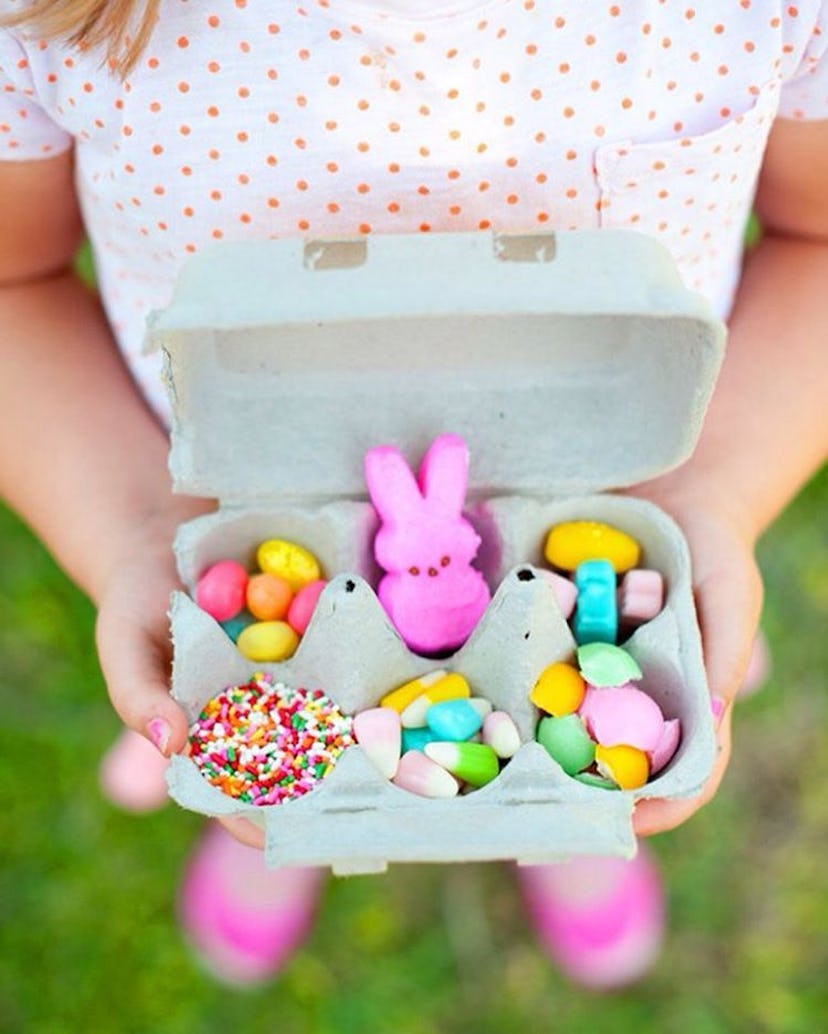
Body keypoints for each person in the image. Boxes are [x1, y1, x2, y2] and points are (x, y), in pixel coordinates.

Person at [1, 0, 826, 991]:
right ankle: (291, 809)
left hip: (593, 519)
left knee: (563, 725)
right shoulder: (53, 19)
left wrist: (716, 501)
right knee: (276, 713)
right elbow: (16, 280)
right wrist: (135, 529)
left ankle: (564, 813)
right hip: (229, 520)